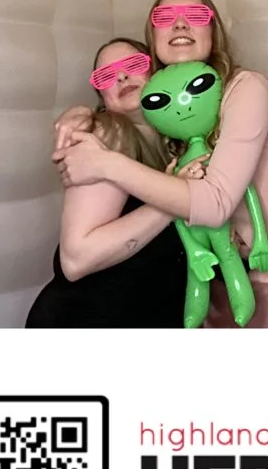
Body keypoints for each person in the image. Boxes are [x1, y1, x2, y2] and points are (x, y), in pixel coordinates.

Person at [53, 0, 268, 328]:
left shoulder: (245, 89)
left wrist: (106, 163)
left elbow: (215, 202)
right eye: (165, 17)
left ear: (214, 30)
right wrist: (82, 117)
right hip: (207, 279)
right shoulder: (158, 118)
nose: (180, 24)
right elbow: (76, 259)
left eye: (195, 15)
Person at [26, 40, 184, 328]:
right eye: (106, 76)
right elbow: (76, 260)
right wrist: (175, 200)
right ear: (102, 96)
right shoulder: (107, 135)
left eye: (133, 65)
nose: (121, 77)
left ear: (157, 70)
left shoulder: (181, 139)